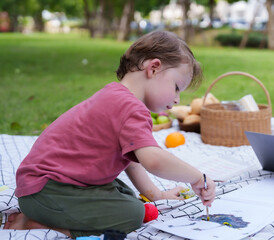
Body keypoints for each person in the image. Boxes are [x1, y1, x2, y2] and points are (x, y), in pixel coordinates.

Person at [4, 31, 216, 238]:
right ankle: (39, 225)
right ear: (153, 68)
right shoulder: (132, 108)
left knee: (123, 192)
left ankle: (43, 215)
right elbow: (154, 161)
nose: (178, 99)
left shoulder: (115, 95)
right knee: (133, 214)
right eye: (177, 87)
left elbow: (132, 160)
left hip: (46, 186)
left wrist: (157, 195)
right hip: (48, 191)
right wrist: (198, 177)